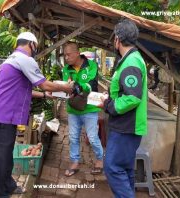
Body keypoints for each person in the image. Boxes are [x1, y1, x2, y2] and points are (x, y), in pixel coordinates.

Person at [0, 32, 73, 197]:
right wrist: (66, 88)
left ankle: (8, 186)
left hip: (3, 115)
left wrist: (45, 95)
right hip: (1, 116)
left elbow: (25, 91)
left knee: (5, 155)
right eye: (35, 47)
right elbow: (45, 84)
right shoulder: (25, 59)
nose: (35, 51)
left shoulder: (13, 59)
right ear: (31, 44)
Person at [99, 19, 148, 197]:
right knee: (125, 169)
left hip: (126, 127)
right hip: (127, 126)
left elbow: (132, 97)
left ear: (118, 39)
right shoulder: (131, 60)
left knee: (112, 167)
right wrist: (109, 98)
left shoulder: (131, 62)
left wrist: (108, 105)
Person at [62, 42, 103, 177]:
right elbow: (66, 86)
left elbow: (91, 84)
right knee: (73, 137)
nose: (66, 58)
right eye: (64, 55)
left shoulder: (91, 65)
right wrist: (67, 86)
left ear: (77, 53)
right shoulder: (66, 69)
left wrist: (78, 86)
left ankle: (100, 159)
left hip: (90, 107)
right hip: (73, 108)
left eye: (68, 54)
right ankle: (74, 162)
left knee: (92, 137)